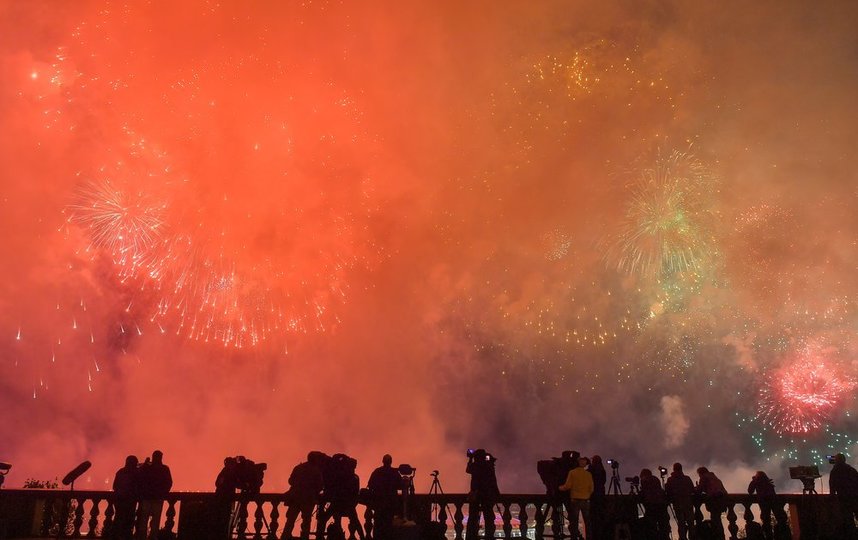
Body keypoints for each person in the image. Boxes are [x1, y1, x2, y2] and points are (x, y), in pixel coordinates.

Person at [283, 452, 325, 540]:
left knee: (290, 520)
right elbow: (320, 486)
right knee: (306, 521)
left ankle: (285, 536)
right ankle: (304, 537)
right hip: (308, 499)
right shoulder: (316, 470)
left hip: (295, 497)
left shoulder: (298, 468)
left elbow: (290, 481)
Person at [136, 450, 172, 540]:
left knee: (144, 521)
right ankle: (152, 537)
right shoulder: (164, 468)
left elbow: (139, 477)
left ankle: (142, 537)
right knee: (155, 521)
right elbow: (169, 482)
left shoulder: (148, 468)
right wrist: (163, 493)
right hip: (157, 498)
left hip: (147, 497)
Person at [466, 449, 500, 540]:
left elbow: (468, 469)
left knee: (473, 518)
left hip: (476, 495)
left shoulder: (475, 466)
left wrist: (470, 459)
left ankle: (471, 536)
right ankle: (489, 536)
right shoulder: (488, 466)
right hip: (487, 495)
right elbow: (493, 480)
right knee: (488, 518)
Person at [559, 456, 594, 540]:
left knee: (574, 522)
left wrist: (560, 488)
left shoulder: (572, 472)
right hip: (586, 500)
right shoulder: (588, 474)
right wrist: (587, 495)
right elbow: (592, 488)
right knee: (587, 522)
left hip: (575, 500)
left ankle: (574, 538)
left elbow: (568, 486)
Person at [367, 454, 401, 540]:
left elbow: (370, 485)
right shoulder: (395, 472)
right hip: (391, 505)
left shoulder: (377, 472)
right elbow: (400, 486)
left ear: (383, 461)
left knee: (378, 526)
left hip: (379, 505)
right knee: (389, 526)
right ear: (391, 462)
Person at [747, 471, 789, 540]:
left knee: (766, 522)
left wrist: (753, 481)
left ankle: (769, 537)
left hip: (764, 503)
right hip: (773, 502)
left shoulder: (758, 482)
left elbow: (750, 491)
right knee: (780, 519)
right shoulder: (768, 484)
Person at [829, 453, 858, 536]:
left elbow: (832, 486)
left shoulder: (834, 471)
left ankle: (852, 535)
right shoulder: (851, 469)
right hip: (855, 497)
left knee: (848, 519)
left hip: (843, 499)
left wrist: (832, 498)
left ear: (836, 460)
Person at [111, 455, 139, 540]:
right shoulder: (135, 473)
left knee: (118, 520)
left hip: (119, 500)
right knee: (128, 522)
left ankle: (115, 536)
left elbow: (114, 486)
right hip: (130, 501)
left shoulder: (120, 472)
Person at [665, 463, 695, 540]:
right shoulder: (687, 478)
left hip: (678, 504)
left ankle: (682, 538)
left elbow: (668, 492)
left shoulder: (670, 480)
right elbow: (692, 490)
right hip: (688, 503)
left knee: (681, 524)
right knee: (691, 523)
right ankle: (693, 538)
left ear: (674, 469)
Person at [696, 466, 727, 540]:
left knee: (715, 520)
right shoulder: (715, 478)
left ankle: (717, 537)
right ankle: (721, 537)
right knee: (718, 520)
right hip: (721, 500)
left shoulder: (704, 477)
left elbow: (699, 490)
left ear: (701, 473)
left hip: (714, 501)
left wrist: (697, 488)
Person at [639, 469, 670, 540]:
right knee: (663, 526)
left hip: (651, 506)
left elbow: (644, 492)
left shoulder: (645, 480)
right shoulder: (656, 479)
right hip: (661, 506)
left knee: (651, 526)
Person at [588, 456, 607, 540]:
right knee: (601, 518)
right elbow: (603, 482)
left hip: (593, 497)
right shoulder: (602, 471)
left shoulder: (591, 470)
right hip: (601, 497)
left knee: (593, 519)